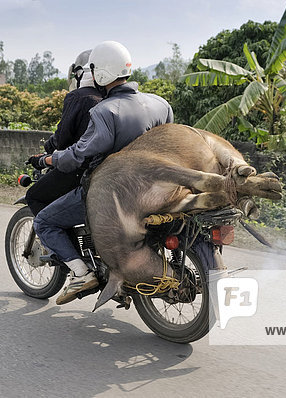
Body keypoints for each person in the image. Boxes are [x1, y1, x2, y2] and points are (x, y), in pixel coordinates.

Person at [32, 40, 174, 305]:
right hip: (154, 191)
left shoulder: (105, 111)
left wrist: (50, 159)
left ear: (101, 73)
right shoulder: (160, 105)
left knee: (44, 222)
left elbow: (78, 155)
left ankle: (82, 273)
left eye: (94, 69)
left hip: (110, 195)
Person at [25, 50, 102, 216]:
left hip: (78, 168)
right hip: (102, 168)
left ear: (79, 73)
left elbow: (62, 139)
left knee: (33, 196)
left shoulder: (78, 97)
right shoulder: (108, 97)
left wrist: (48, 148)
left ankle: (52, 235)